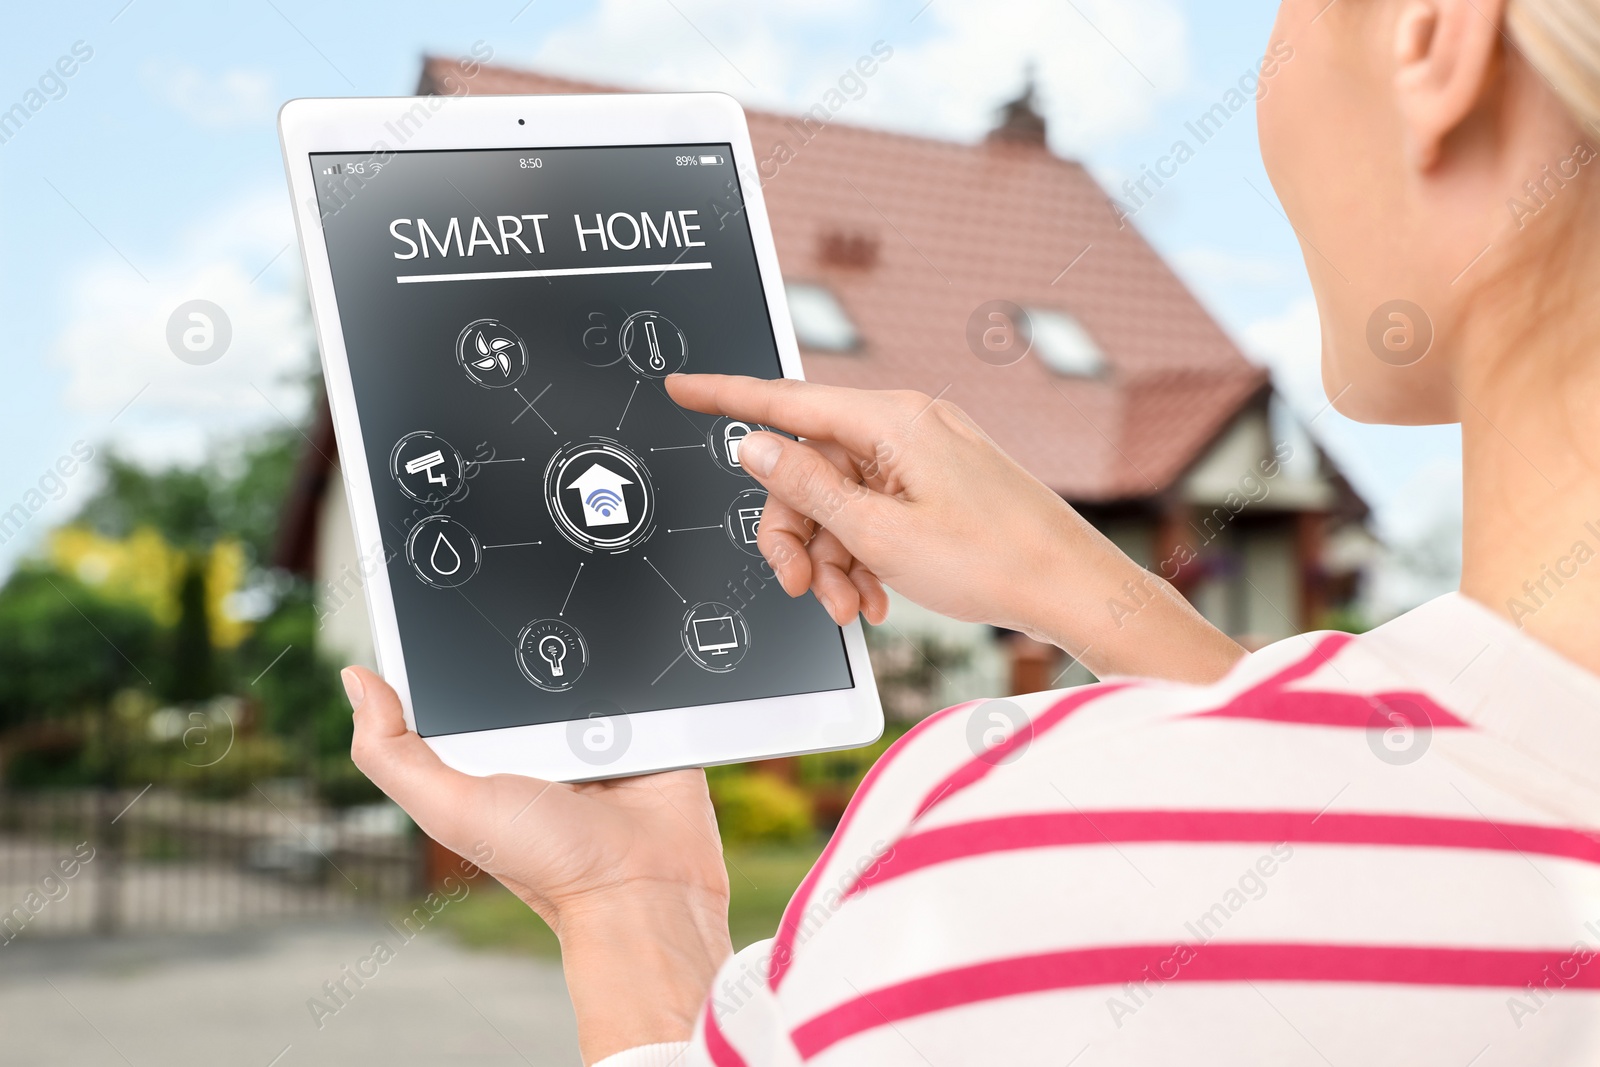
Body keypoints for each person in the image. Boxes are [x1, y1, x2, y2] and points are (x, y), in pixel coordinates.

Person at [342, 0, 1600, 1061]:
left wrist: (635, 903)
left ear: (1433, 39)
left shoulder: (1020, 861)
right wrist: (1114, 605)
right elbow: (1416, 827)